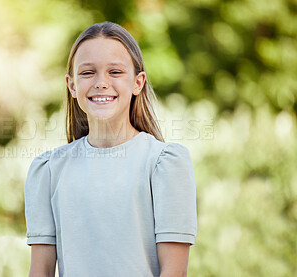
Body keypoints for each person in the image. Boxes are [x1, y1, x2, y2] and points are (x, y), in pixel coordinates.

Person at [24, 22, 197, 277]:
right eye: (87, 73)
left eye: (115, 72)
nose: (101, 82)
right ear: (72, 86)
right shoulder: (49, 171)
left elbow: (174, 271)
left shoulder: (164, 163)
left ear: (138, 83)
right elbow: (40, 271)